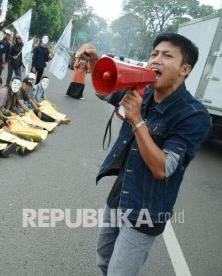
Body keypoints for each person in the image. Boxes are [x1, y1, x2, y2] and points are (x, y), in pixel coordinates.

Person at [78, 33, 212, 276]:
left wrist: (137, 120)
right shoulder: (144, 92)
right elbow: (106, 90)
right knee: (104, 261)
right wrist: (95, 60)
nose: (156, 60)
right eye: (154, 54)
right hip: (120, 195)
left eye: (167, 55)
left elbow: (163, 168)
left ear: (184, 69)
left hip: (146, 211)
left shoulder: (194, 115)